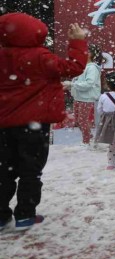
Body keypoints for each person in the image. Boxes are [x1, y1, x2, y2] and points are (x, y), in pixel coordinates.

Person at [0, 13, 88, 230]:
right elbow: (74, 68)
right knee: (31, 170)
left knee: (4, 171)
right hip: (35, 125)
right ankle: (25, 215)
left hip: (3, 125)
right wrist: (77, 41)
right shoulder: (41, 57)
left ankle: (1, 216)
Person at [66, 44, 103, 147]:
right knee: (78, 121)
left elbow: (89, 84)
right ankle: (89, 138)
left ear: (91, 54)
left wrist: (71, 84)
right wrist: (70, 85)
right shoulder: (82, 66)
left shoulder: (92, 68)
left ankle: (86, 142)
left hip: (87, 98)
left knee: (83, 121)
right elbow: (78, 81)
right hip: (78, 97)